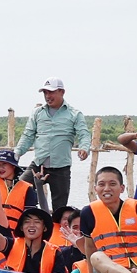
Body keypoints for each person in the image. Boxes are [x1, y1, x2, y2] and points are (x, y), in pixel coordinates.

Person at [13, 78, 90, 212]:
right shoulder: (37, 113)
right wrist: (17, 152)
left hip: (61, 168)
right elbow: (28, 135)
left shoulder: (74, 114)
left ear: (62, 92)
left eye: (51, 92)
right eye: (45, 93)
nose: (48, 96)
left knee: (60, 209)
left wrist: (84, 148)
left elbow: (84, 134)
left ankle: (56, 231)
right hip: (38, 164)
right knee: (17, 191)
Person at [79, 167, 137, 273]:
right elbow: (89, 247)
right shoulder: (88, 212)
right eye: (101, 184)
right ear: (95, 189)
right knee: (96, 256)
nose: (107, 188)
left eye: (112, 184)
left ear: (122, 188)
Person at [3, 205, 72, 273]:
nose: (32, 225)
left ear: (44, 228)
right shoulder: (12, 245)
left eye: (37, 222)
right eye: (27, 222)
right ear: (21, 228)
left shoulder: (55, 252)